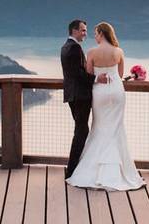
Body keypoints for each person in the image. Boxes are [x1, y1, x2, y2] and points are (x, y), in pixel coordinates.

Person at [66, 21, 145, 191]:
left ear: (102, 33)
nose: (94, 37)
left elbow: (88, 74)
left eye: (95, 33)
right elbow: (120, 74)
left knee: (99, 126)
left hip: (100, 92)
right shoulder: (119, 51)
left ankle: (94, 170)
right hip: (117, 91)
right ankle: (120, 171)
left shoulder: (92, 52)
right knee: (116, 128)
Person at [61, 19, 108, 178]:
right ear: (74, 30)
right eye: (83, 30)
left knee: (80, 130)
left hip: (73, 95)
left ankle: (75, 167)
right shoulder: (74, 48)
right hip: (80, 96)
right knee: (82, 131)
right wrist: (96, 78)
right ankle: (72, 170)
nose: (85, 34)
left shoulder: (65, 46)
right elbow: (78, 74)